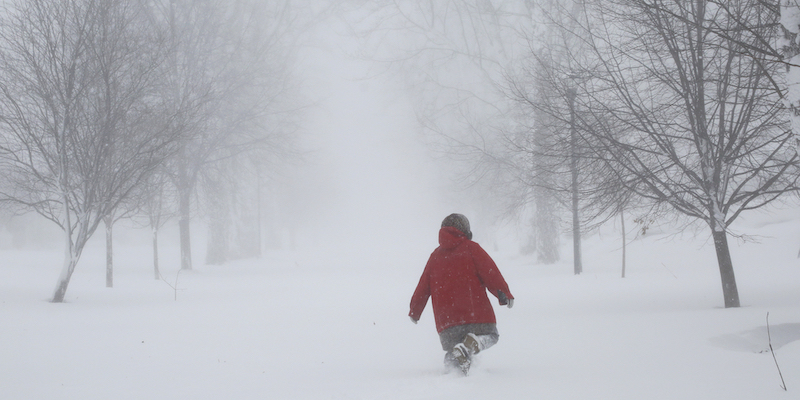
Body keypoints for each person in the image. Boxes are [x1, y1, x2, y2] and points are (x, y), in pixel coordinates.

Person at [408, 213, 514, 375]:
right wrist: (504, 293)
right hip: (475, 314)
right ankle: (473, 343)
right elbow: (490, 273)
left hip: (447, 322)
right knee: (491, 336)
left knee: (454, 349)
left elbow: (423, 287)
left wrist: (415, 311)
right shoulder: (471, 248)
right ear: (465, 230)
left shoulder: (435, 257)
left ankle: (453, 371)